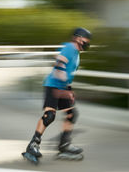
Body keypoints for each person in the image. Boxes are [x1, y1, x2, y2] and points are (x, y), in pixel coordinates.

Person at [23, 27, 92, 161]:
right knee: (49, 116)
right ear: (78, 38)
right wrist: (64, 90)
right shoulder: (70, 48)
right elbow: (59, 65)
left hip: (63, 86)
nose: (87, 43)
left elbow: (68, 73)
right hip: (53, 85)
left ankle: (64, 145)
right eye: (86, 40)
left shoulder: (77, 54)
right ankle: (33, 144)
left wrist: (69, 89)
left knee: (72, 115)